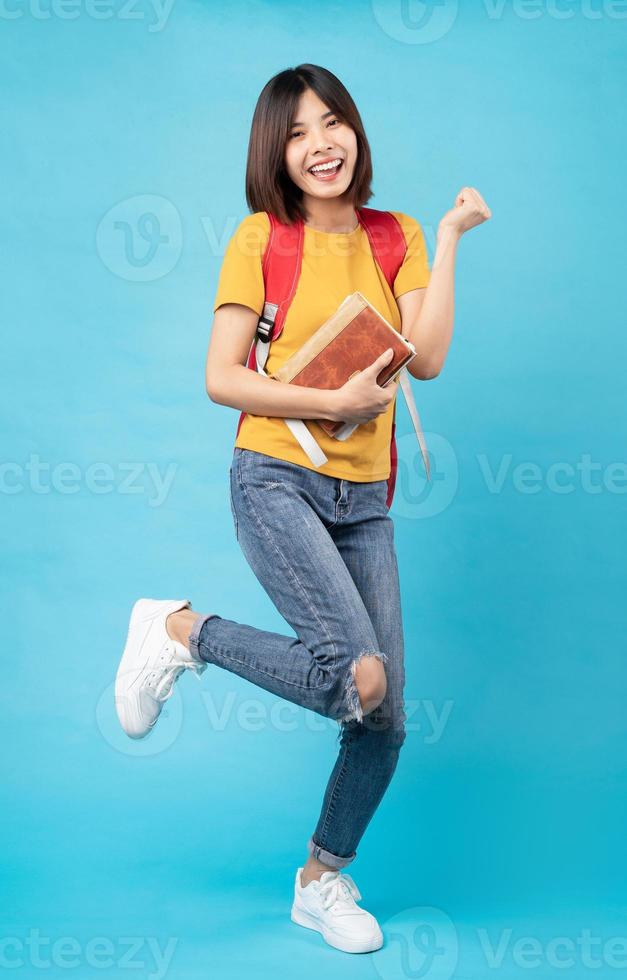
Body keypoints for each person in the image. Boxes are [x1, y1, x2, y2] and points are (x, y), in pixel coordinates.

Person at [114, 63, 491, 954]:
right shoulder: (260, 237)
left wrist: (448, 237)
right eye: (296, 132)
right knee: (353, 673)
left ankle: (320, 881)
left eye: (332, 124)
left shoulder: (396, 233)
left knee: (383, 712)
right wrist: (329, 403)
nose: (319, 144)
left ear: (354, 132)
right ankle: (179, 633)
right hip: (275, 474)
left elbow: (426, 360)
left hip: (364, 497)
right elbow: (221, 377)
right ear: (274, 154)